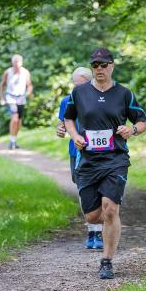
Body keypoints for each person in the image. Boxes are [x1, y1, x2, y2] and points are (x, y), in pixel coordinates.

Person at [64, 47, 146, 279]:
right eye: (95, 65)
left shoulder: (124, 93)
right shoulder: (79, 92)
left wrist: (131, 130)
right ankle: (111, 222)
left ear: (112, 66)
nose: (99, 69)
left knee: (110, 208)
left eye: (104, 65)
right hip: (89, 161)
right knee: (92, 216)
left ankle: (107, 261)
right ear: (92, 68)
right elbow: (68, 118)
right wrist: (75, 136)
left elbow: (141, 121)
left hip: (116, 159)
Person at [57, 67, 104, 250]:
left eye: (82, 86)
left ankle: (98, 231)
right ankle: (91, 229)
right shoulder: (67, 101)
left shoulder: (101, 99)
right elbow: (64, 124)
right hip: (76, 153)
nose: (79, 91)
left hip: (99, 153)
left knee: (100, 190)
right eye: (76, 86)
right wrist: (60, 130)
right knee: (84, 191)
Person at [0, 54, 33, 149]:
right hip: (11, 97)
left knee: (19, 121)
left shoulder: (25, 72)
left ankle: (14, 140)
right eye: (15, 63)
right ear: (12, 63)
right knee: (14, 118)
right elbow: (2, 85)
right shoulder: (8, 72)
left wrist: (28, 93)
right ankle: (12, 141)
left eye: (18, 64)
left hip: (21, 97)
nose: (17, 66)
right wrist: (2, 98)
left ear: (21, 63)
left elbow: (29, 85)